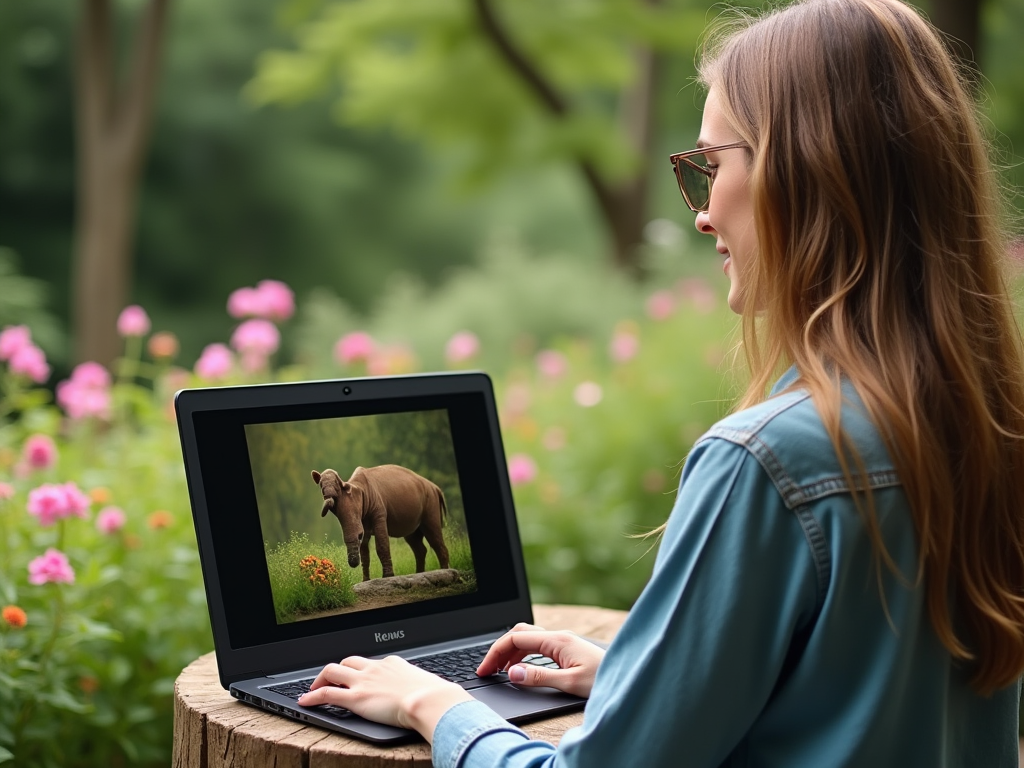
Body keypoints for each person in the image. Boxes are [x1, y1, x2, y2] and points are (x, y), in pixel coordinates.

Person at [296, 0, 1024, 764]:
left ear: (808, 174)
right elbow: (856, 705)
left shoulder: (769, 464)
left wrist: (432, 702)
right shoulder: (981, 430)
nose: (704, 214)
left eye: (713, 166)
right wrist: (643, 683)